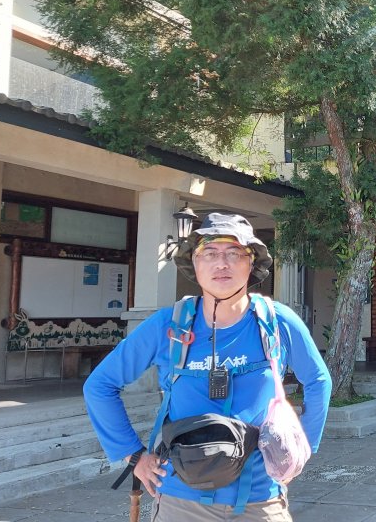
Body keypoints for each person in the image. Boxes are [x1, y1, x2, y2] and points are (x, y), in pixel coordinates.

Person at [84, 213, 332, 521]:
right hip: (180, 499)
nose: (221, 263)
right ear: (194, 264)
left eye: (234, 254)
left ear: (251, 263)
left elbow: (319, 380)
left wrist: (300, 450)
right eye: (209, 254)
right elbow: (99, 386)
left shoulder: (277, 322)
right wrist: (134, 455)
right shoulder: (167, 325)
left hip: (259, 497)